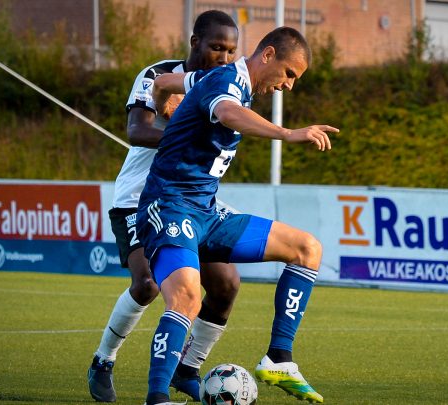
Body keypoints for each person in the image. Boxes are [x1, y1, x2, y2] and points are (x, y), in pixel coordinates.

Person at [138, 26, 338, 405]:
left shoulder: (215, 78)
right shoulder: (228, 83)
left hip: (206, 213)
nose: (289, 86)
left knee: (307, 249)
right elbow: (229, 113)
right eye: (289, 74)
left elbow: (164, 80)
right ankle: (157, 397)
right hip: (168, 205)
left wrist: (163, 103)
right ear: (267, 56)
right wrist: (288, 133)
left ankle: (279, 358)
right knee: (186, 297)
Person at [87, 10, 240, 403]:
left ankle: (188, 368)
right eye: (216, 47)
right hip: (138, 199)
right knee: (147, 284)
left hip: (190, 201)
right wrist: (183, 134)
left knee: (225, 285)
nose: (223, 57)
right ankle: (104, 359)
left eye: (231, 50)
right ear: (195, 44)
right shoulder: (159, 75)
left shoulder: (228, 88)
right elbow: (138, 129)